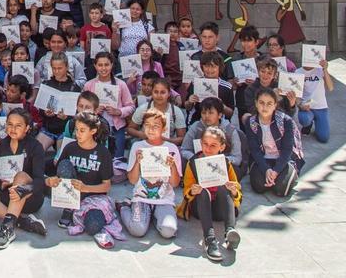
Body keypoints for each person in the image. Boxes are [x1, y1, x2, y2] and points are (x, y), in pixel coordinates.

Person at [0, 107, 48, 249]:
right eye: (9, 124)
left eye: (18, 125)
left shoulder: (36, 146)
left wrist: (21, 187)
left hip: (29, 195)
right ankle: (21, 221)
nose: (13, 129)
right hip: (7, 194)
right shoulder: (1, 145)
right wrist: (0, 183)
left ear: (27, 128)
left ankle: (7, 228)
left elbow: (40, 180)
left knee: (20, 175)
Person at [48, 112, 120, 248]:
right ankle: (69, 209)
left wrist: (86, 188)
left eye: (82, 130)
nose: (77, 133)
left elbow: (106, 186)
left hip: (94, 197)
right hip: (71, 194)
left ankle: (115, 209)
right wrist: (53, 182)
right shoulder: (70, 147)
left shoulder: (103, 153)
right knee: (63, 165)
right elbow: (61, 172)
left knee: (93, 227)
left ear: (93, 131)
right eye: (76, 129)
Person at [176, 125, 242, 262]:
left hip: (219, 210)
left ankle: (230, 231)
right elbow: (186, 194)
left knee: (225, 189)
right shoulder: (193, 163)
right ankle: (210, 239)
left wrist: (234, 190)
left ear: (221, 147)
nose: (208, 148)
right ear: (200, 144)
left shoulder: (225, 163)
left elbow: (238, 192)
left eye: (213, 145)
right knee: (203, 191)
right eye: (205, 144)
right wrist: (192, 191)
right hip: (199, 207)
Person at [120, 108, 182, 239]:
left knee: (168, 231)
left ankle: (155, 216)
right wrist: (137, 162)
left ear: (164, 129)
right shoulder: (137, 146)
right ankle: (124, 207)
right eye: (147, 125)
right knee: (137, 230)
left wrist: (173, 167)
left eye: (156, 126)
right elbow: (132, 180)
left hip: (164, 199)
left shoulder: (171, 149)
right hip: (141, 197)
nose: (151, 129)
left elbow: (175, 183)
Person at [242, 88, 304, 197]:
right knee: (259, 187)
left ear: (275, 105)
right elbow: (255, 150)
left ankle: (289, 173)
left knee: (281, 191)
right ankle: (269, 175)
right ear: (256, 103)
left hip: (284, 160)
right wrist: (266, 169)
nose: (265, 107)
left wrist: (275, 171)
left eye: (269, 104)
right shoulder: (251, 122)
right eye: (261, 103)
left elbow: (287, 150)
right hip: (263, 159)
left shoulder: (285, 121)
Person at [298, 58, 333, 143]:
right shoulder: (298, 72)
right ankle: (308, 125)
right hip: (307, 107)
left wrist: (325, 69)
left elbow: (330, 87)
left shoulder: (320, 70)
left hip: (321, 107)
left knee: (323, 138)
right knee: (304, 119)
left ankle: (318, 123)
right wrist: (300, 105)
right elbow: (296, 95)